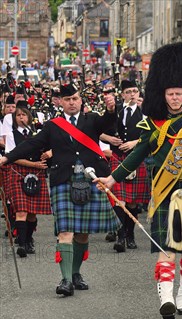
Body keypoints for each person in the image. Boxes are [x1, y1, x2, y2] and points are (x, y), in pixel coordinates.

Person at [94, 42, 182, 319]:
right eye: (170, 94)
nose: (174, 98)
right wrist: (112, 178)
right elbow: (137, 155)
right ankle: (166, 296)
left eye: (179, 93)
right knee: (167, 246)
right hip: (166, 190)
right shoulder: (152, 124)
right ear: (163, 94)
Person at [0, 83, 118, 296]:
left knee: (82, 234)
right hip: (63, 180)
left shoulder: (91, 120)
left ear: (80, 100)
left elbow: (108, 122)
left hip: (90, 179)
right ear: (61, 102)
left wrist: (111, 109)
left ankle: (75, 273)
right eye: (67, 99)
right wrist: (7, 158)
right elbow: (33, 144)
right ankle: (65, 280)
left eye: (74, 98)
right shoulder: (53, 125)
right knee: (65, 231)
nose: (72, 102)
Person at [100, 80, 149, 252]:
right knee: (119, 200)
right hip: (118, 158)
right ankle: (120, 237)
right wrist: (109, 139)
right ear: (123, 95)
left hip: (136, 158)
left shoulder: (144, 113)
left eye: (135, 91)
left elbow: (152, 135)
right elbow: (98, 130)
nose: (132, 94)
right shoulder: (116, 112)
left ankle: (130, 234)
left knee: (133, 203)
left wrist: (135, 143)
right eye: (128, 91)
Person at [3, 103, 52, 256]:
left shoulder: (38, 132)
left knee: (32, 213)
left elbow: (53, 146)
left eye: (24, 115)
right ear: (14, 118)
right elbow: (12, 157)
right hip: (18, 172)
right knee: (21, 211)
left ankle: (29, 239)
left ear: (29, 117)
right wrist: (35, 164)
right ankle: (22, 244)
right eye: (18, 115)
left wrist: (49, 153)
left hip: (37, 173)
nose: (21, 117)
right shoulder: (11, 134)